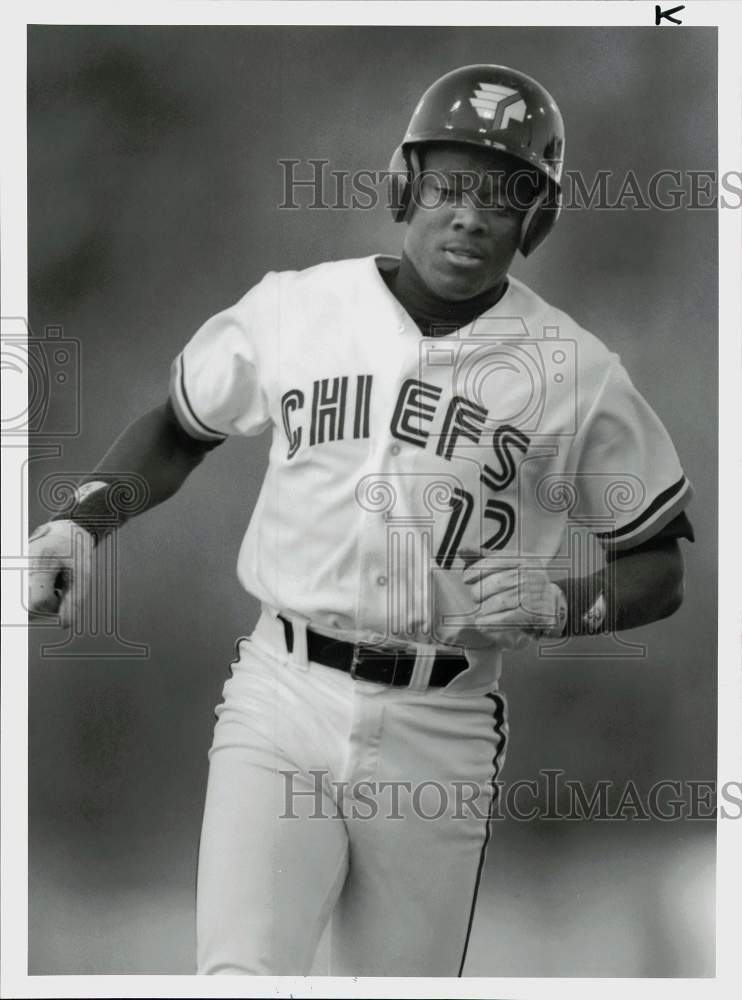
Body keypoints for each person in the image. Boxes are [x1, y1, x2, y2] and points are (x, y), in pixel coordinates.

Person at [28, 64, 694, 976]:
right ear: (405, 184)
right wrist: (79, 524)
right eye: (450, 185)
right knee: (239, 976)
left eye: (504, 197)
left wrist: (568, 599)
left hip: (444, 724)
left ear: (535, 220)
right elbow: (182, 428)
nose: (469, 215)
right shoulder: (296, 309)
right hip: (281, 689)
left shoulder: (576, 372)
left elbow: (659, 561)